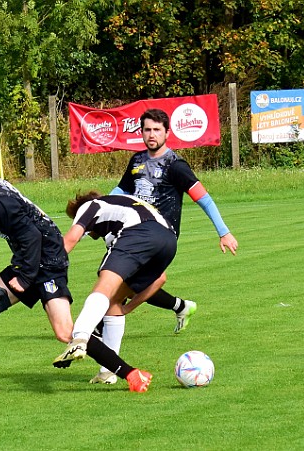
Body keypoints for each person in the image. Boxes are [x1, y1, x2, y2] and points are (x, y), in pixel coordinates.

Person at [0, 157, 152, 398]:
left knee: (66, 332)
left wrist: (26, 277)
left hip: (45, 264)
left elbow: (31, 236)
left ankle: (132, 373)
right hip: (34, 259)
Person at [91, 108, 238, 384]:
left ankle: (108, 361)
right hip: (132, 235)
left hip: (157, 241)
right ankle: (176, 308)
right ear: (141, 132)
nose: (151, 135)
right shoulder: (136, 161)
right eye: (146, 130)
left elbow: (204, 199)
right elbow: (120, 192)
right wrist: (98, 209)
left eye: (156, 130)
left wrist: (224, 232)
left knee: (112, 295)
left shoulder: (175, 165)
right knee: (113, 297)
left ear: (167, 133)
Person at [53, 190, 178, 376]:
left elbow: (70, 240)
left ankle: (79, 339)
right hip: (169, 240)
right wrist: (128, 308)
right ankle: (107, 373)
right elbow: (161, 279)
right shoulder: (123, 211)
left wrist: (43, 266)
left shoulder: (91, 205)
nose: (90, 234)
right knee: (113, 302)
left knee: (104, 286)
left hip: (139, 232)